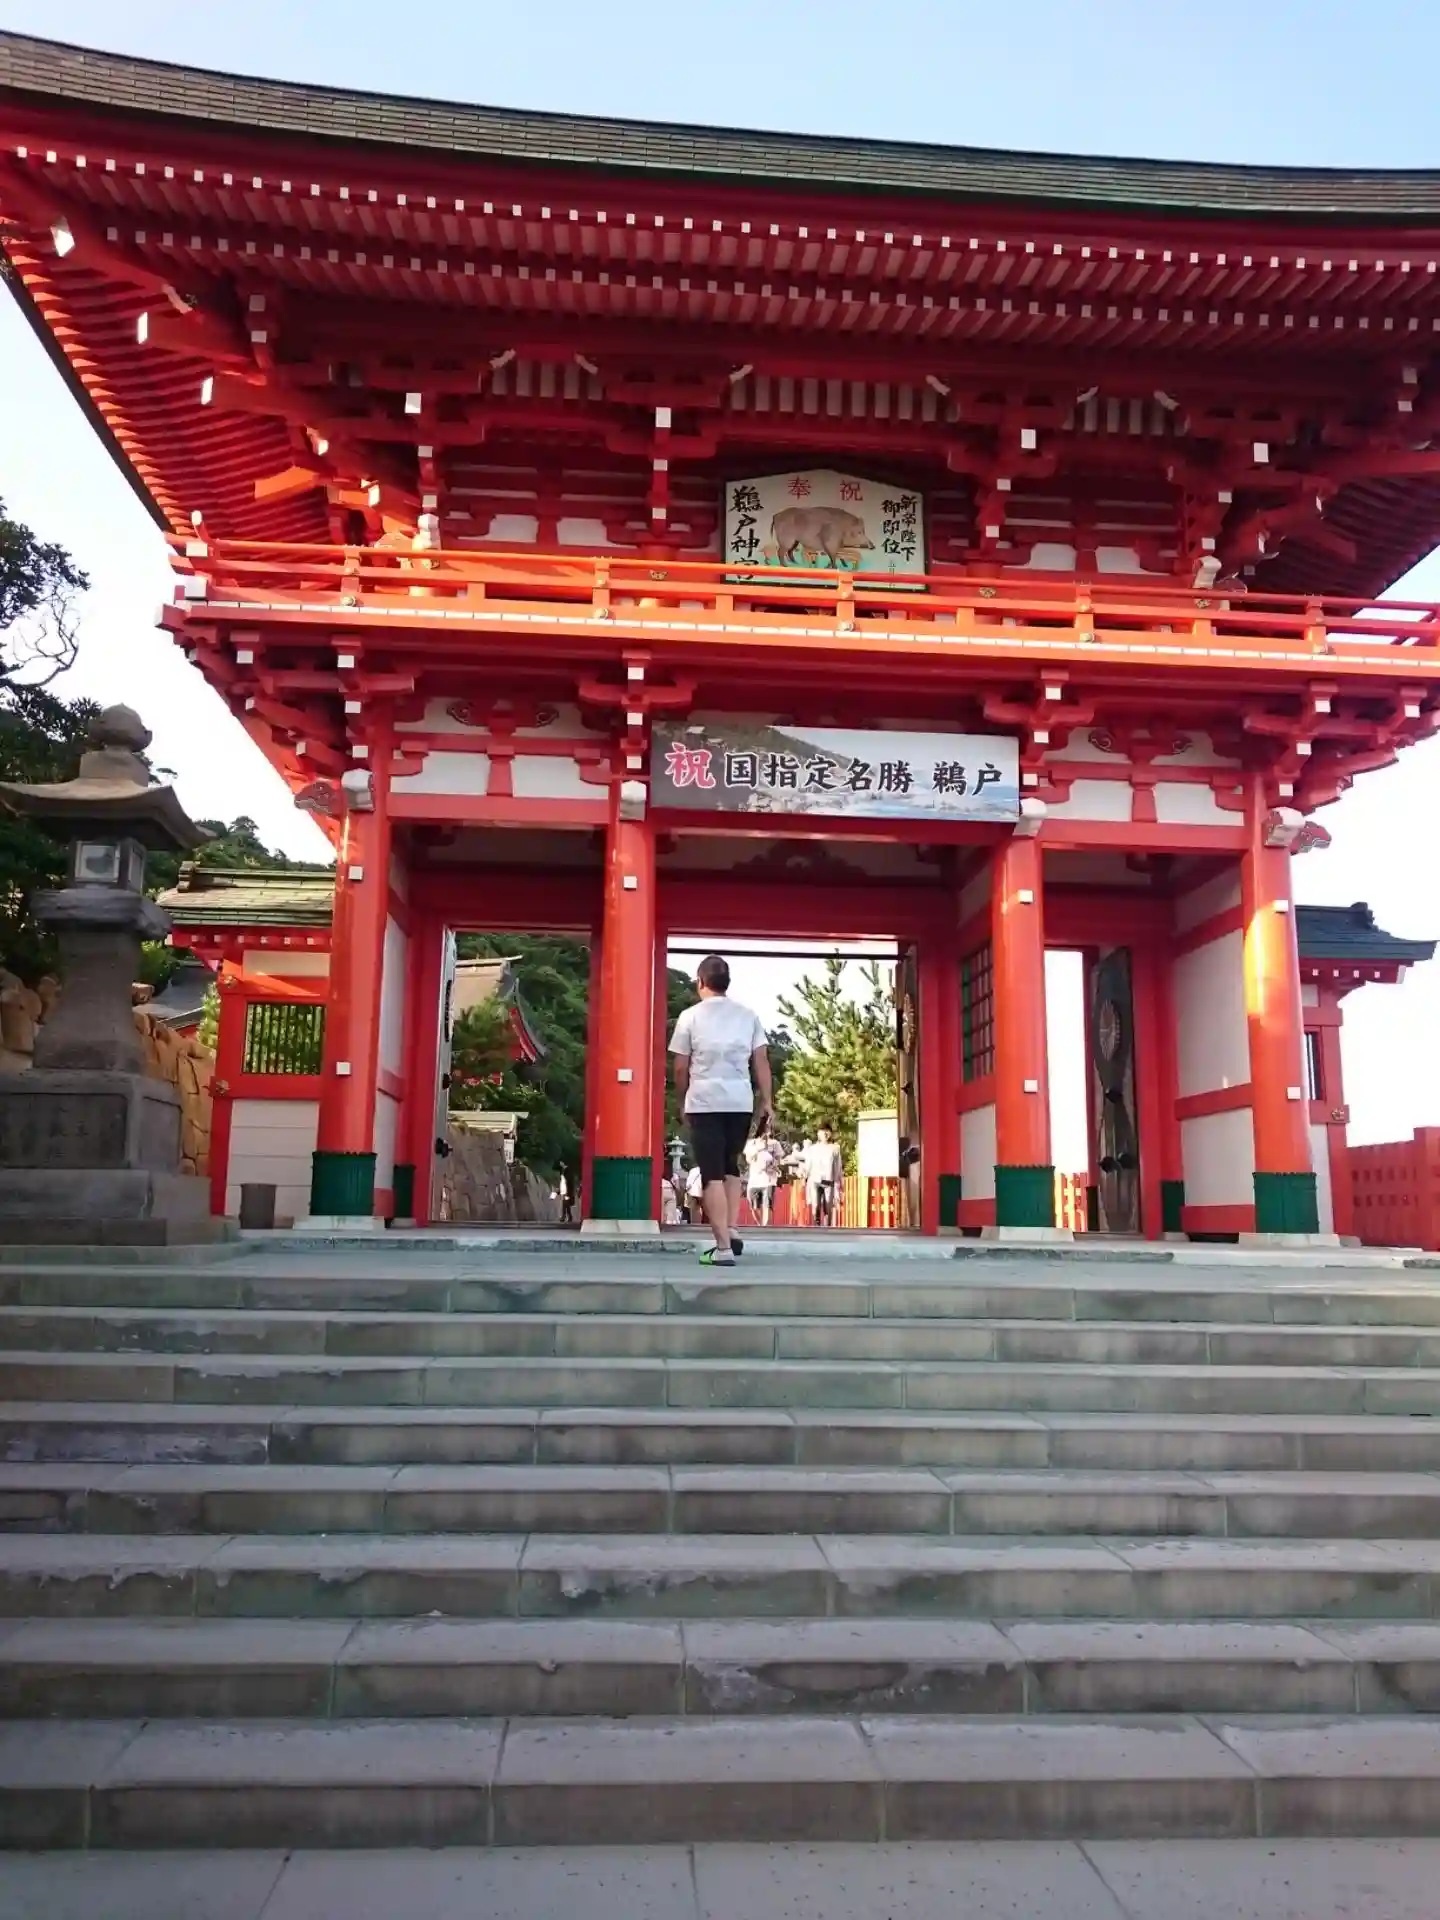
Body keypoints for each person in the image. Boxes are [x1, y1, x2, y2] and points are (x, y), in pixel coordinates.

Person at [670, 953, 772, 1267]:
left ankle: (723, 1248)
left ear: (700, 982)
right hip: (740, 1102)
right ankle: (732, 1228)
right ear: (727, 983)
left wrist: (681, 1100)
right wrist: (767, 1101)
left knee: (711, 1173)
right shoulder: (748, 1015)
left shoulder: (690, 1016)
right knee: (731, 1167)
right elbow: (761, 1060)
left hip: (705, 1102)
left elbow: (680, 1066)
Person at [804, 1126, 844, 1228]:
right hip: (815, 1180)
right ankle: (816, 1224)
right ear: (818, 1134)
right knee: (816, 1204)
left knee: (828, 1206)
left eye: (827, 1132)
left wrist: (839, 1181)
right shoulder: (812, 1149)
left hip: (828, 1180)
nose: (825, 1134)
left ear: (830, 1134)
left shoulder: (835, 1148)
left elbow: (838, 1166)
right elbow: (808, 1164)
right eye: (823, 1132)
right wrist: (805, 1174)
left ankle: (827, 1227)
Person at [743, 1127, 781, 1227]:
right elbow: (748, 1160)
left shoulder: (775, 1143)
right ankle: (760, 1225)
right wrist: (758, 1149)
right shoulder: (751, 1144)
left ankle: (766, 1227)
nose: (767, 1133)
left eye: (769, 1130)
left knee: (767, 1205)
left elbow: (778, 1159)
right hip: (755, 1180)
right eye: (765, 1130)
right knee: (754, 1207)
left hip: (769, 1179)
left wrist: (773, 1165)